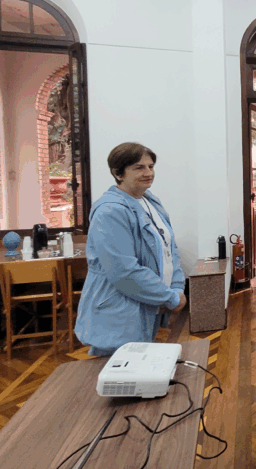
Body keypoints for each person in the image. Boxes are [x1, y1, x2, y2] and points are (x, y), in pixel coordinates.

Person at [75, 142, 187, 356]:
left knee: (140, 376)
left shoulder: (149, 201)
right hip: (119, 315)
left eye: (151, 166)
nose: (148, 173)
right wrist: (171, 298)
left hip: (147, 305)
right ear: (118, 173)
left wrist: (176, 288)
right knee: (117, 379)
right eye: (139, 167)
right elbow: (124, 272)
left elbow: (169, 249)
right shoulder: (109, 212)